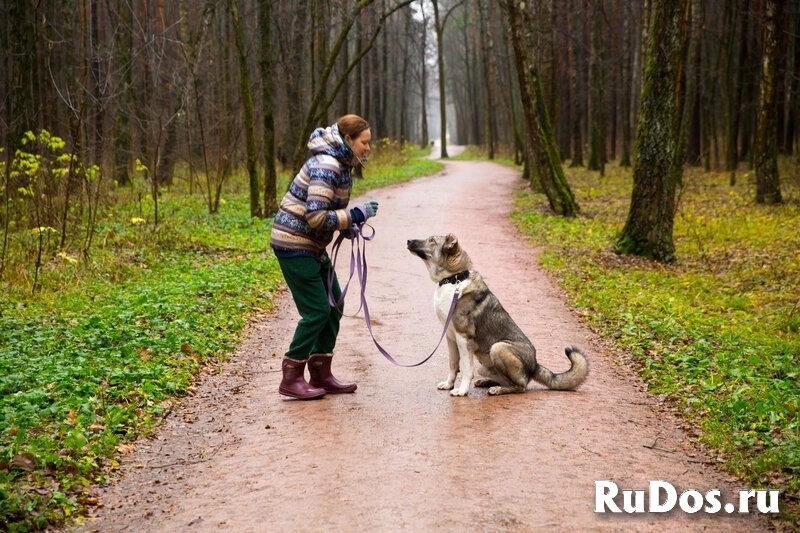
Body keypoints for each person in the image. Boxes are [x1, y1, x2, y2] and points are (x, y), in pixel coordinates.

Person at [270, 114, 379, 400]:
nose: (368, 147)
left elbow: (325, 213)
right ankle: (291, 376)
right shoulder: (327, 165)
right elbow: (316, 217)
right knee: (317, 310)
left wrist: (347, 225)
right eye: (364, 142)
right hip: (294, 244)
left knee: (333, 305)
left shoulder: (341, 163)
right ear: (348, 139)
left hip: (312, 246)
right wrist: (354, 215)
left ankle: (320, 373)